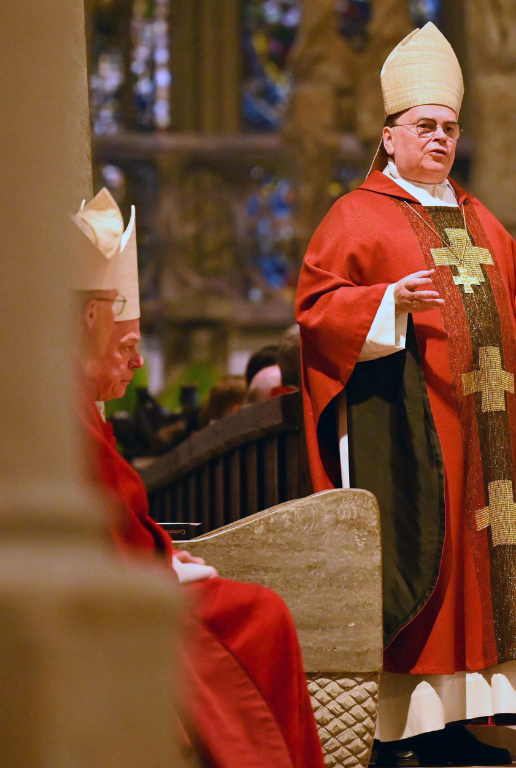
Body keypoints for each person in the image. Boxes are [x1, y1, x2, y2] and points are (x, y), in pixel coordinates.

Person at [295, 23, 516, 764]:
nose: (441, 139)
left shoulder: (479, 216)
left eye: (450, 127)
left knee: (484, 575)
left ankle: (466, 726)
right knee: (426, 564)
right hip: (410, 439)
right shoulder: (355, 216)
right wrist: (387, 302)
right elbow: (318, 315)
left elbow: (513, 308)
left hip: (487, 445)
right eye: (425, 126)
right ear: (390, 136)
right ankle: (405, 731)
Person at [73, 189, 324, 768]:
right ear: (90, 319)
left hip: (129, 575)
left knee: (259, 609)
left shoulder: (78, 402)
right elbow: (103, 527)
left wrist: (163, 556)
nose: (138, 364)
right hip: (114, 597)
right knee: (261, 616)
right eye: (128, 346)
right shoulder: (64, 406)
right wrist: (162, 564)